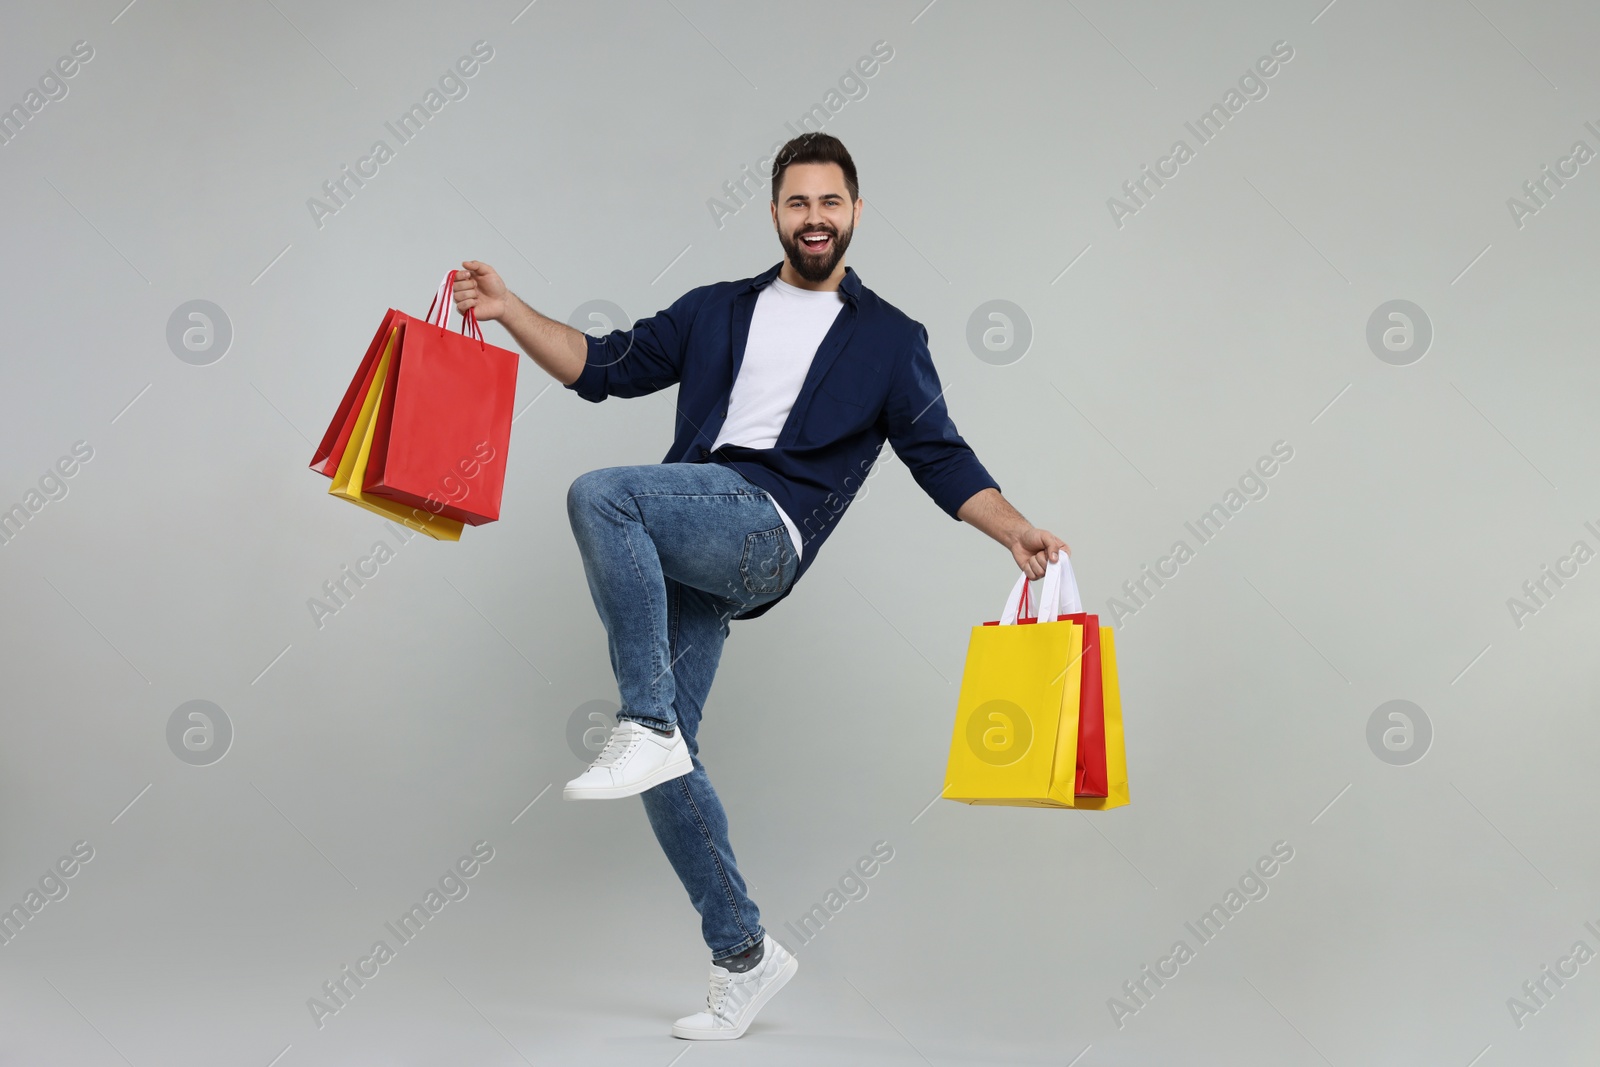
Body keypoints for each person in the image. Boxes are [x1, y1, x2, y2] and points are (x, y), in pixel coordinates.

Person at [451, 131, 1069, 1041]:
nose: (813, 218)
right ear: (775, 213)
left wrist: (1013, 526)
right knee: (671, 770)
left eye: (830, 203)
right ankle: (744, 952)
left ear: (855, 212)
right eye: (797, 203)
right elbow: (607, 366)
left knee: (601, 494)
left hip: (765, 531)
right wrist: (508, 310)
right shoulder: (716, 310)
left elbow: (939, 454)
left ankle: (643, 720)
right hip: (689, 534)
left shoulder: (891, 340)